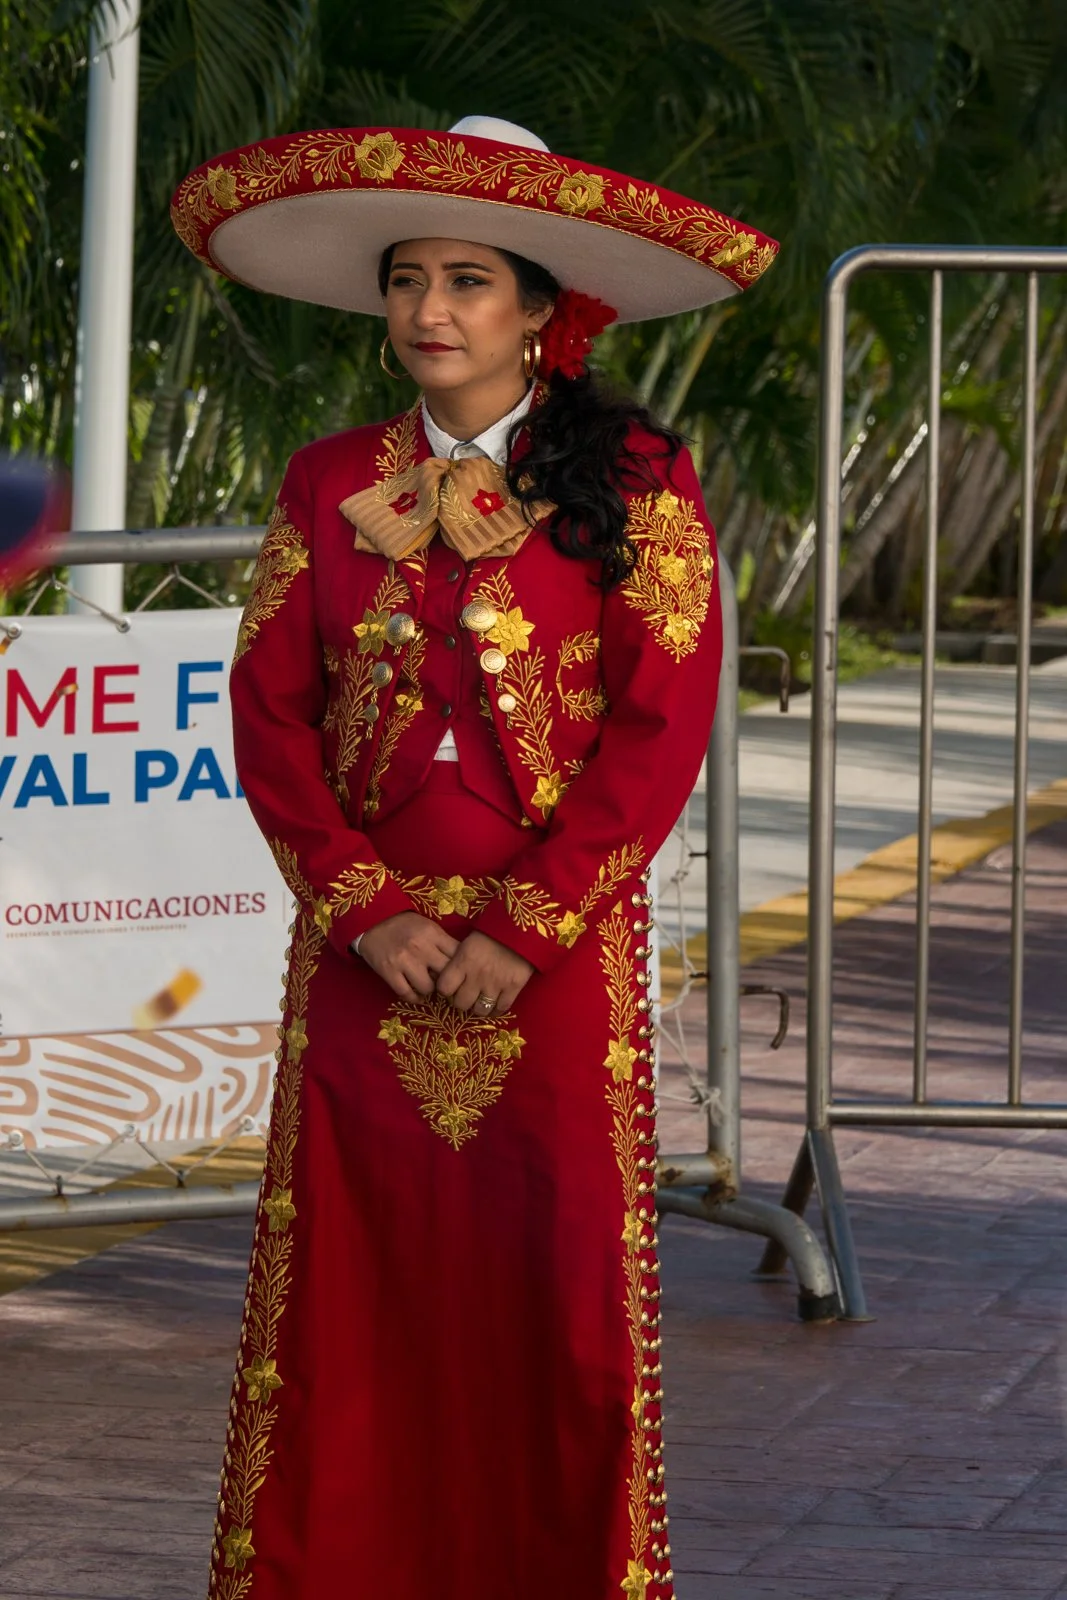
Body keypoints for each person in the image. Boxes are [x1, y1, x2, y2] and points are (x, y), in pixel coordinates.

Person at [172, 113, 778, 1600]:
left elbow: (661, 723)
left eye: (466, 282)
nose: (428, 311)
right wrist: (364, 911)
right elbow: (268, 715)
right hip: (362, 960)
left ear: (538, 310)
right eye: (406, 281)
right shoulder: (325, 480)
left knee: (557, 1296)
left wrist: (528, 925)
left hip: (555, 969)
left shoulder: (639, 476)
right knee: (348, 1294)